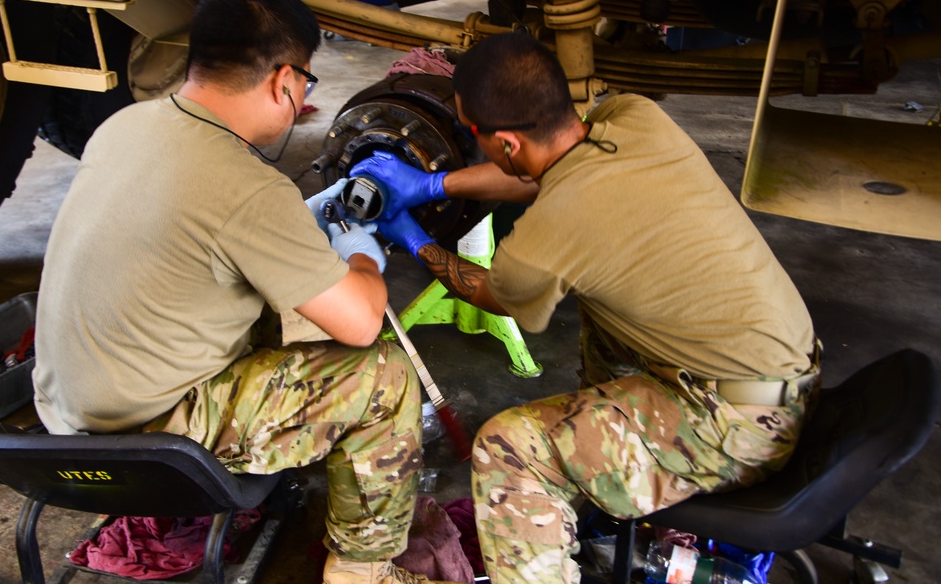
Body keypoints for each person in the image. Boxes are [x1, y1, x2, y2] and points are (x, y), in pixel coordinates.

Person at [350, 31, 820, 584]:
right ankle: (600, 493)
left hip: (738, 423)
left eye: (473, 133)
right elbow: (544, 173)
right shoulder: (632, 117)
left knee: (509, 448)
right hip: (780, 365)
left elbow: (487, 291)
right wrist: (432, 183)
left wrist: (414, 241)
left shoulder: (549, 238)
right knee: (602, 310)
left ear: (504, 144)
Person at [34, 0, 452, 584]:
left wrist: (306, 223)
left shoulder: (124, 127)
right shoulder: (247, 185)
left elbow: (198, 234)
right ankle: (364, 573)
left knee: (280, 305)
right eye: (305, 79)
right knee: (384, 375)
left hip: (61, 415)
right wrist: (364, 255)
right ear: (286, 81)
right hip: (146, 436)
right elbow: (361, 323)